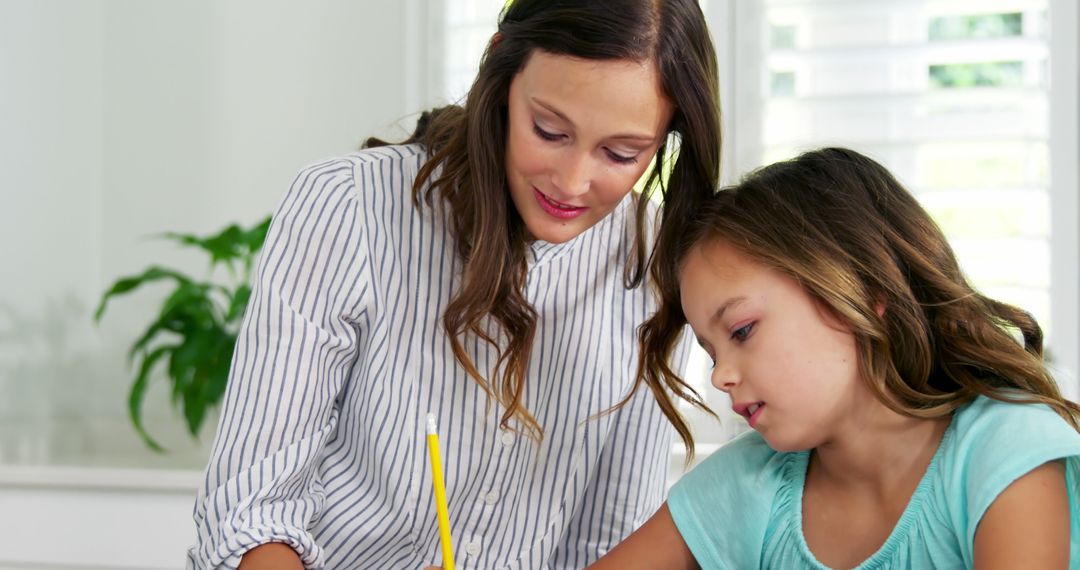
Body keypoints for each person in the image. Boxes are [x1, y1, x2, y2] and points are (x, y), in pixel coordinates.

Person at [187, 1, 722, 568]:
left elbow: (613, 543)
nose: (571, 182)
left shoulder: (655, 261)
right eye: (548, 130)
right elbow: (250, 511)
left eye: (621, 153)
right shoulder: (348, 206)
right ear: (501, 71)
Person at [588, 147, 1080, 569]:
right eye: (709, 349)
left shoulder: (1004, 448)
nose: (720, 375)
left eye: (742, 331)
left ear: (863, 294)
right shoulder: (747, 481)